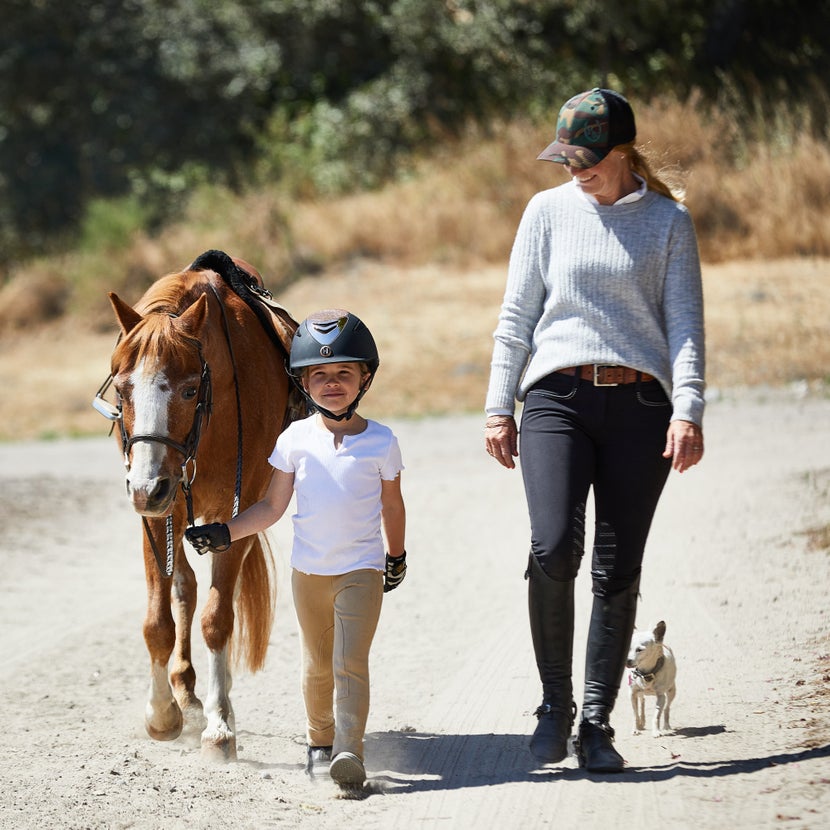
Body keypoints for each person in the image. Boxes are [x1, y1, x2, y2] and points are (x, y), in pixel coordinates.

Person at [484, 88, 705, 773]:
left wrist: (688, 408)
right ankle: (553, 707)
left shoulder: (668, 222)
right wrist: (499, 405)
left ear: (621, 153)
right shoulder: (546, 213)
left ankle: (596, 722)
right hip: (556, 398)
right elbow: (517, 315)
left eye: (586, 158)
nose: (574, 169)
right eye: (566, 158)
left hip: (640, 410)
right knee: (552, 546)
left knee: (617, 569)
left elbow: (685, 327)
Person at [186, 309, 407, 788]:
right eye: (320, 375)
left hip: (362, 571)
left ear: (364, 378)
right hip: (308, 573)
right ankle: (319, 742)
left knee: (350, 662)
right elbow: (270, 507)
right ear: (303, 382)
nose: (332, 383)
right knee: (316, 665)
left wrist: (397, 555)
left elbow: (393, 504)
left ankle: (350, 752)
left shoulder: (382, 442)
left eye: (344, 373)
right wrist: (226, 531)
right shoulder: (294, 440)